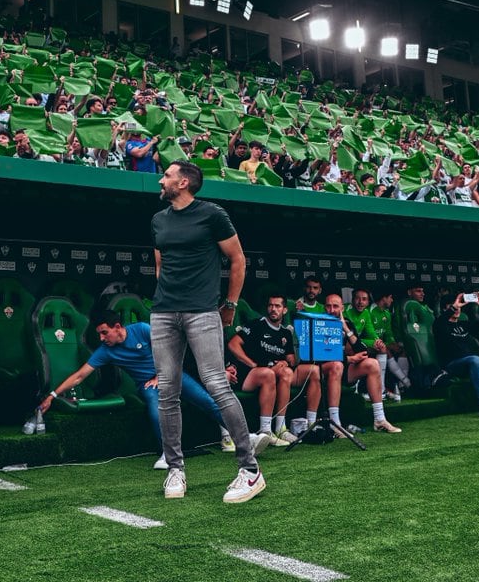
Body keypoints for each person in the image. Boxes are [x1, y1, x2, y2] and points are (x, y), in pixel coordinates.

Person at [150, 160, 263, 504]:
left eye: (167, 175)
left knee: (216, 384)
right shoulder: (158, 220)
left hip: (203, 312)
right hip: (164, 313)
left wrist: (229, 304)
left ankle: (250, 469)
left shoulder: (212, 214)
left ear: (183, 182)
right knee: (167, 391)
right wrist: (168, 301)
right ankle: (175, 469)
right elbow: (160, 266)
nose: (161, 179)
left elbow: (238, 259)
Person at [39, 313, 237, 469]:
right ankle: (168, 455)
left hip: (171, 373)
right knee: (154, 406)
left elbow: (171, 347)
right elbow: (80, 375)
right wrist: (52, 395)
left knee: (206, 400)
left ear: (118, 327)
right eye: (99, 334)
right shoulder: (106, 350)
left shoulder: (141, 329)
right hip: (147, 384)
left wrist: (161, 374)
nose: (101, 338)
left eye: (104, 332)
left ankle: (243, 437)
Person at [226, 295, 321, 444]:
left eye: (277, 306)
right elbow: (233, 344)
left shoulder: (285, 333)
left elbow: (291, 359)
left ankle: (296, 427)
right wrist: (251, 363)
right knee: (269, 373)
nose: (273, 309)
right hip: (252, 373)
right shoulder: (257, 325)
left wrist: (290, 359)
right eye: (271, 306)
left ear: (284, 310)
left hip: (276, 373)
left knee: (311, 371)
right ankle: (265, 431)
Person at [324, 293, 401, 433]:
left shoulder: (346, 323)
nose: (332, 310)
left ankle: (379, 419)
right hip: (324, 369)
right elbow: (323, 354)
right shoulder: (319, 323)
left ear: (342, 308)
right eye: (328, 306)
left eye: (335, 306)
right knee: (337, 365)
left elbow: (360, 349)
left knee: (372, 364)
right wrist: (348, 359)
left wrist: (346, 330)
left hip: (343, 368)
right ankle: (335, 424)